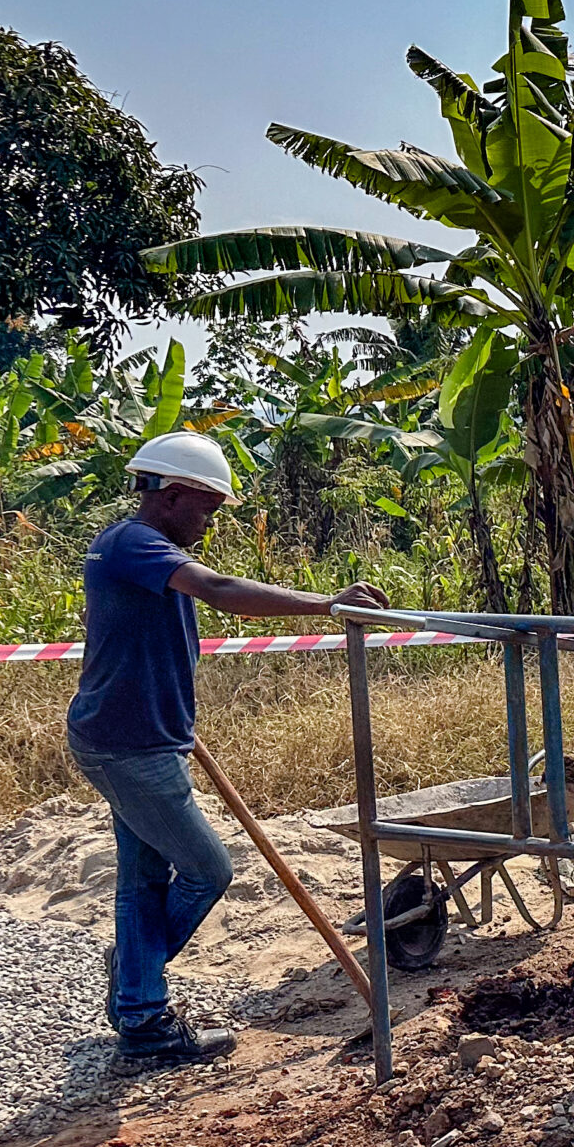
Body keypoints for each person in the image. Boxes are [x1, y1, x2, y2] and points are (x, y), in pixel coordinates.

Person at [68, 432, 386, 1073]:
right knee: (209, 871)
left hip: (130, 736)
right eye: (206, 509)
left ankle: (140, 1005)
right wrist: (326, 605)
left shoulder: (126, 546)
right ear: (172, 494)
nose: (208, 523)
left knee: (143, 882)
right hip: (132, 749)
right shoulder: (135, 544)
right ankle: (139, 987)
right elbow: (220, 589)